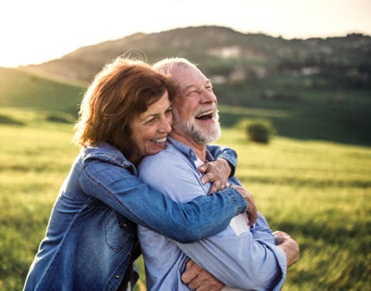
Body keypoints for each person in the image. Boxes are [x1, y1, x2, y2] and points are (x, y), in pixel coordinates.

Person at [22, 57, 258, 291]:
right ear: (121, 126)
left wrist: (225, 163)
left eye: (166, 112)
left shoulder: (142, 149)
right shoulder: (97, 168)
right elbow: (184, 224)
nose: (166, 126)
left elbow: (213, 150)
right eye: (151, 119)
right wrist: (236, 198)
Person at [138, 58, 300, 290]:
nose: (209, 98)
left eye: (209, 87)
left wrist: (232, 270)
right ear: (167, 110)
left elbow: (255, 228)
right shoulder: (165, 169)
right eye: (192, 92)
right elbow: (254, 273)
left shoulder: (216, 165)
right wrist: (288, 251)